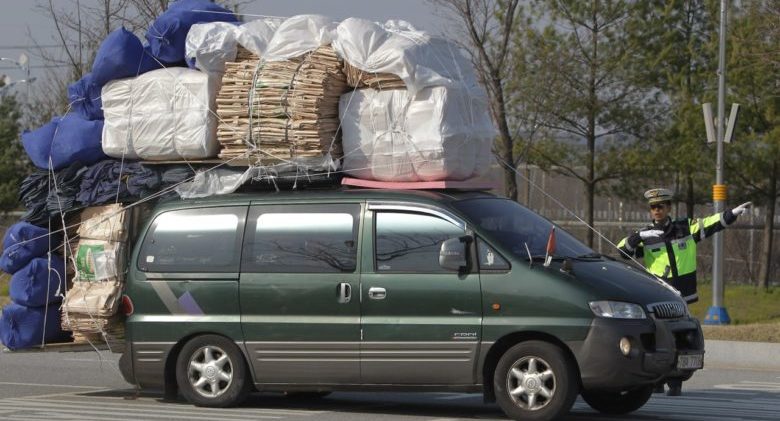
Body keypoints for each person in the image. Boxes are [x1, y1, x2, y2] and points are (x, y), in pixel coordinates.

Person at [616, 188, 751, 396]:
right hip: (658, 297)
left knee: (682, 338)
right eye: (653, 207)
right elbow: (623, 251)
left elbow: (711, 224)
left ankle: (676, 380)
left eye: (661, 206)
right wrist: (638, 236)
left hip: (681, 295)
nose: (657, 210)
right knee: (659, 337)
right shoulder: (647, 235)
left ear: (669, 207)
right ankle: (657, 380)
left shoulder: (685, 228)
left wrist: (731, 214)